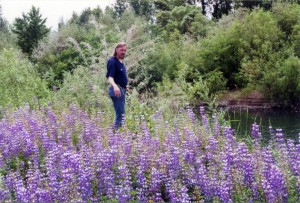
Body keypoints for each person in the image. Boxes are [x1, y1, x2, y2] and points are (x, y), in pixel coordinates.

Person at [106, 42, 128, 129]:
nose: (123, 52)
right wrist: (115, 86)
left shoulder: (120, 62)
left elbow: (118, 76)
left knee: (121, 114)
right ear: (116, 50)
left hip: (121, 89)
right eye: (121, 50)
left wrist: (124, 86)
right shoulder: (112, 61)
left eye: (125, 50)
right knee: (120, 115)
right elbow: (110, 77)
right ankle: (114, 136)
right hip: (116, 90)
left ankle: (117, 133)